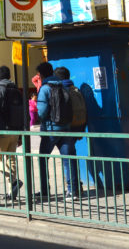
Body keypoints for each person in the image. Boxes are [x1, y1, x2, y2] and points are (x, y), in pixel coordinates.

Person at [36, 62, 79, 201]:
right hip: (66, 128)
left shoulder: (45, 88)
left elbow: (41, 112)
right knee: (69, 159)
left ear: (41, 75)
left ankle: (44, 190)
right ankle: (72, 191)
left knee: (43, 159)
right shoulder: (64, 86)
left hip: (50, 130)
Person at [0, 66, 24, 201]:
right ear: (9, 76)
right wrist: (20, 134)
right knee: (11, 160)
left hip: (2, 131)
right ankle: (11, 192)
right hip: (15, 131)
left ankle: (14, 182)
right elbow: (22, 112)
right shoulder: (16, 90)